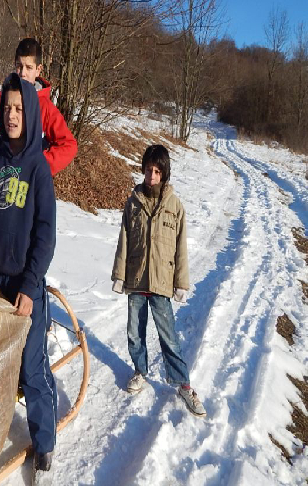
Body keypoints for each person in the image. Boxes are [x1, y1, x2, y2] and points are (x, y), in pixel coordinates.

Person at [0, 72, 57, 474]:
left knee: (32, 367)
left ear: (32, 113)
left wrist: (31, 284)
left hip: (24, 287)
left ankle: (44, 442)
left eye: (19, 108)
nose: (11, 115)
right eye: (7, 109)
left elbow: (45, 233)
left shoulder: (38, 167)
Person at [111, 144, 206, 417]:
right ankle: (140, 370)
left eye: (157, 171)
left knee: (169, 336)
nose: (151, 176)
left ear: (164, 173)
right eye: (148, 170)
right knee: (134, 332)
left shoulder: (175, 207)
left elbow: (181, 248)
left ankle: (183, 384)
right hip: (137, 279)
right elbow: (124, 241)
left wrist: (181, 282)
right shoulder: (133, 202)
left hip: (162, 282)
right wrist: (119, 275)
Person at [0, 37, 77, 198]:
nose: (23, 73)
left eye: (29, 67)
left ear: (38, 69)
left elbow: (69, 146)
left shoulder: (46, 108)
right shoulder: (0, 100)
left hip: (28, 195)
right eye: (19, 66)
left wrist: (39, 165)